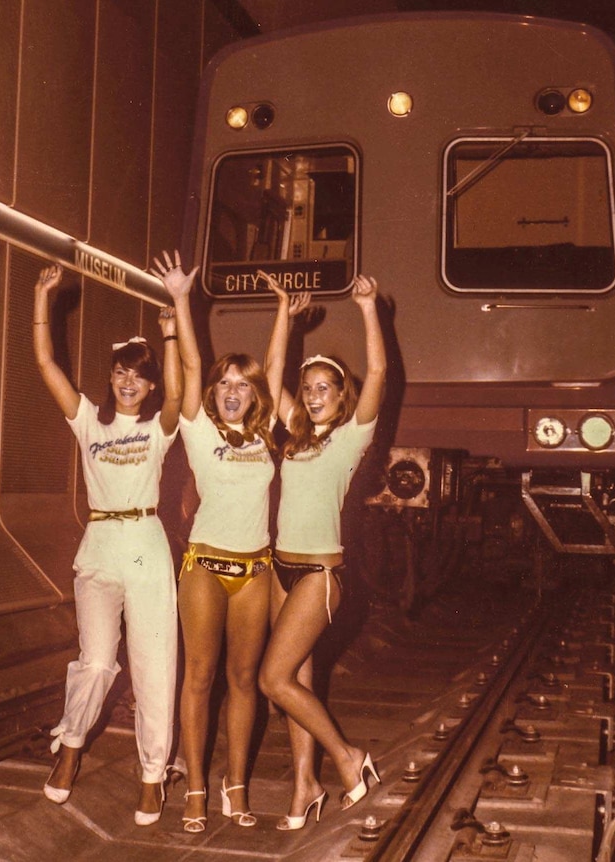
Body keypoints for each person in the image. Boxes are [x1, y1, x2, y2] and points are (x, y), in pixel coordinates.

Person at [152, 251, 308, 833]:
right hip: (205, 566)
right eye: (225, 384)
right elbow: (191, 362)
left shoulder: (266, 431)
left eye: (243, 385)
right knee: (200, 677)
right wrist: (180, 297)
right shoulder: (196, 427)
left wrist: (284, 313)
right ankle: (194, 788)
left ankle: (234, 786)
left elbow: (274, 364)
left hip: (256, 571)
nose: (233, 391)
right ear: (213, 392)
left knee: (245, 683)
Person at [34, 263, 182, 826]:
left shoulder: (157, 429)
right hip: (99, 544)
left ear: (149, 386)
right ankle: (70, 749)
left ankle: (151, 777)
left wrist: (169, 331)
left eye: (138, 377)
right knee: (96, 662)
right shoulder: (89, 421)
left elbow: (181, 391)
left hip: (145, 543)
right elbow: (47, 364)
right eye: (121, 371)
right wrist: (41, 298)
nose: (127, 382)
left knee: (154, 667)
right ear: (113, 375)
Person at [258, 274, 387, 829]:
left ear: (342, 396)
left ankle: (347, 757)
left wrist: (366, 308)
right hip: (280, 568)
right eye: (307, 388)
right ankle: (304, 787)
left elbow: (379, 371)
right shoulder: (296, 434)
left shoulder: (351, 437)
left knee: (273, 681)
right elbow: (269, 375)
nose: (311, 396)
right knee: (297, 684)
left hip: (318, 574)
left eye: (322, 389)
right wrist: (284, 315)